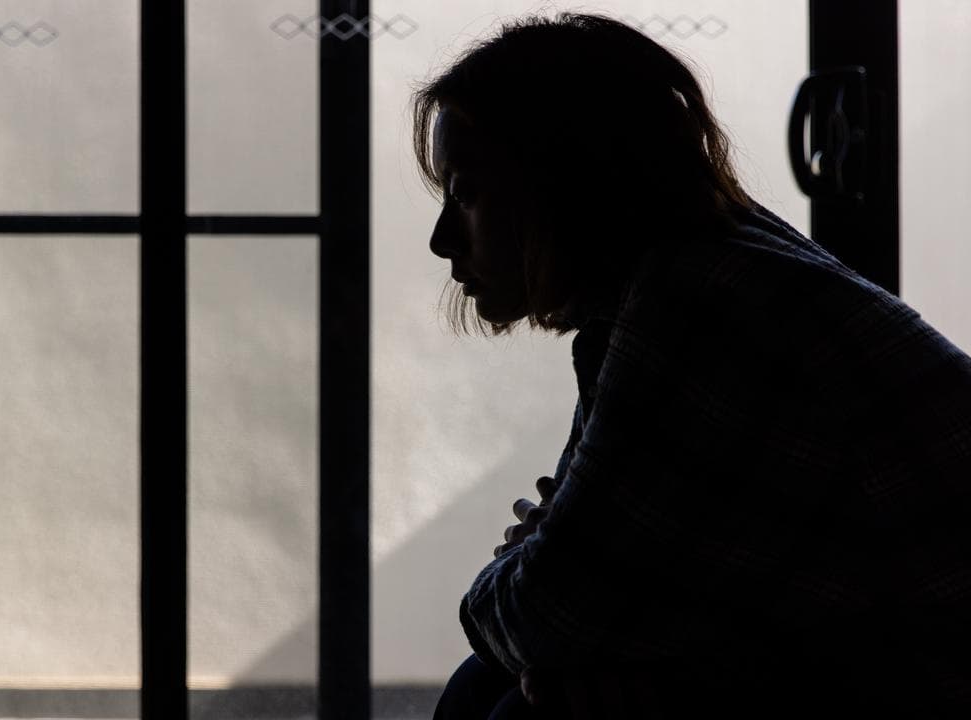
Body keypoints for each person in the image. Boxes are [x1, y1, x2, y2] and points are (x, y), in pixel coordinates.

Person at [416, 12, 971, 720]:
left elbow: (547, 614)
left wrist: (519, 573)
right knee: (505, 691)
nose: (441, 239)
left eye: (466, 193)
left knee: (524, 706)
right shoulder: (707, 264)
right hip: (877, 658)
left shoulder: (698, 303)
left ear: (562, 182)